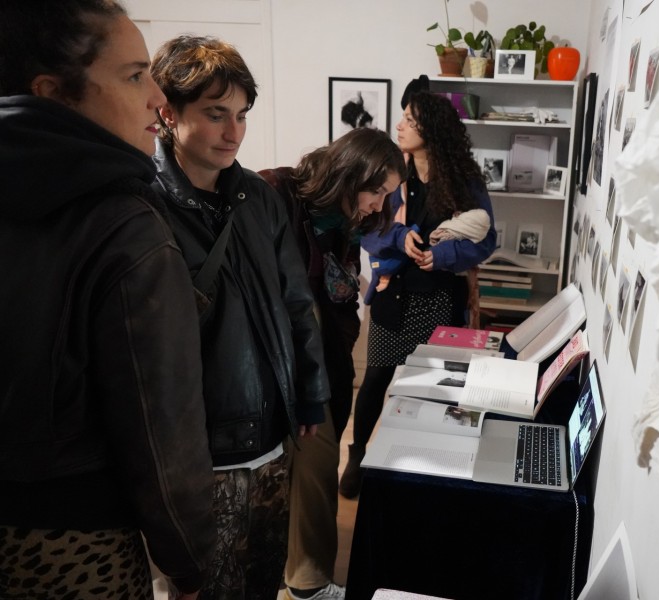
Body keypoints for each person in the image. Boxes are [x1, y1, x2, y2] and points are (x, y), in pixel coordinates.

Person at [0, 2, 215, 599]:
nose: (158, 99)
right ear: (52, 92)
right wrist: (187, 561)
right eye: (134, 75)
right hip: (71, 543)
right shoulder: (123, 224)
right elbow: (161, 428)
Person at [150, 35, 330, 599]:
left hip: (271, 428)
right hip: (197, 448)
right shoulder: (142, 203)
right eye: (215, 114)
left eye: (242, 115)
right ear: (168, 113)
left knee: (262, 576)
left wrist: (311, 393)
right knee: (205, 585)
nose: (234, 132)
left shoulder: (259, 197)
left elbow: (296, 302)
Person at [258, 127, 406, 600]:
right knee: (312, 464)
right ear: (350, 172)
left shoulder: (344, 221)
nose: (378, 205)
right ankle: (307, 585)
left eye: (386, 195)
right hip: (273, 361)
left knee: (313, 466)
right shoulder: (275, 191)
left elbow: (337, 300)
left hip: (318, 357)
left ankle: (304, 580)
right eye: (376, 191)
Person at [339, 89, 497, 499]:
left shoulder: (464, 181)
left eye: (409, 119)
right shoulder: (392, 175)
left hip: (441, 298)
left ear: (432, 129)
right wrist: (399, 236)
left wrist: (441, 255)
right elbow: (365, 229)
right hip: (393, 294)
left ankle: (419, 463)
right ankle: (357, 456)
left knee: (433, 386)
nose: (400, 125)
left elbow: (486, 239)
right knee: (376, 379)